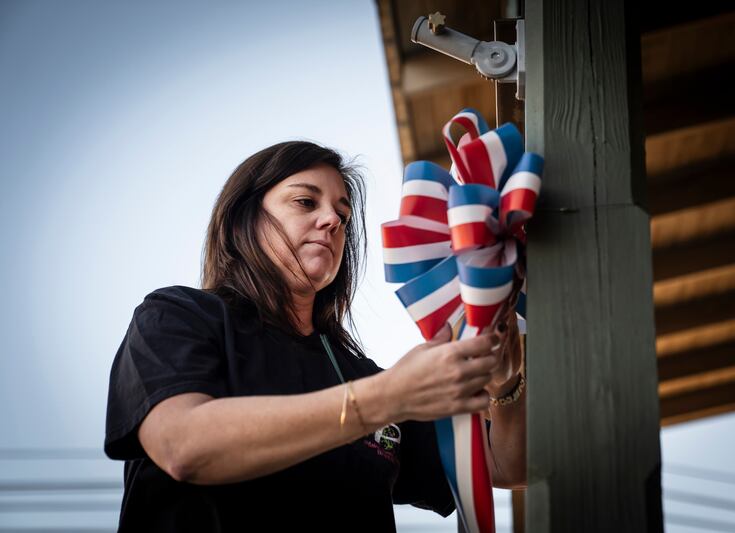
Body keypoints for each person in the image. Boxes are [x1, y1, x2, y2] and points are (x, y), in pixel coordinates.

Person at [104, 141, 526, 532]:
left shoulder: (357, 372)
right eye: (306, 202)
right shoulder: (179, 316)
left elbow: (508, 465)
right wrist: (387, 396)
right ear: (242, 219)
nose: (332, 221)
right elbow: (183, 445)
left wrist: (506, 387)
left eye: (342, 216)